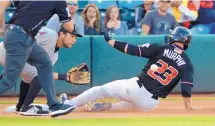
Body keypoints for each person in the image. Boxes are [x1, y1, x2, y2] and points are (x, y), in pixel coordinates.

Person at [61, 26, 195, 112]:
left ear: (174, 37)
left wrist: (110, 41)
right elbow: (186, 90)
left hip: (135, 88)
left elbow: (132, 50)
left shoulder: (161, 48)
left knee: (100, 90)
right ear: (186, 42)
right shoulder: (188, 64)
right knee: (125, 108)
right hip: (149, 103)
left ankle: (68, 104)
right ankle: (106, 107)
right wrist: (189, 108)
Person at [0, 1, 75, 117]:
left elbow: (2, 3)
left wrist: (2, 26)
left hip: (21, 35)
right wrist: (70, 13)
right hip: (20, 38)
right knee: (8, 81)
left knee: (45, 63)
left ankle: (54, 105)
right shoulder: (59, 2)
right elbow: (69, 27)